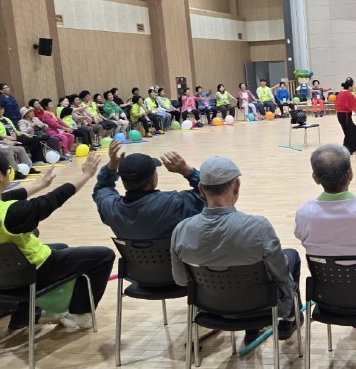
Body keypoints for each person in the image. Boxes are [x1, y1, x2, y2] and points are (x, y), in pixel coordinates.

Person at [171, 156, 302, 344]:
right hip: (261, 306)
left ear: (201, 189)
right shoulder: (258, 227)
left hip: (210, 308)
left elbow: (181, 280)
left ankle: (256, 328)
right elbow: (281, 273)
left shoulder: (181, 231)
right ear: (236, 186)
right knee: (290, 257)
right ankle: (289, 319)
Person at [0, 154, 116, 330]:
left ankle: (23, 314)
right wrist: (86, 175)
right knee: (104, 256)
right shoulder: (12, 213)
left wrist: (41, 184)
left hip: (5, 275)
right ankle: (81, 314)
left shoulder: (10, 209)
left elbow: (9, 196)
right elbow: (52, 200)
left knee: (61, 247)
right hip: (34, 272)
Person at [294, 144, 356, 343]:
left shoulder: (305, 213)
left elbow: (300, 236)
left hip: (328, 296)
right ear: (350, 174)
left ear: (315, 178)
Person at [93, 140, 205, 239]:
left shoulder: (110, 207)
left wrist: (112, 166)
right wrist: (187, 171)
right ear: (153, 179)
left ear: (123, 180)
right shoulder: (175, 203)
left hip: (134, 257)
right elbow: (211, 193)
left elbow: (102, 188)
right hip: (174, 257)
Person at [335, 78, 356, 154]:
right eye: (353, 85)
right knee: (349, 131)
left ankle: (355, 147)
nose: (354, 87)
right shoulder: (347, 94)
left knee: (352, 129)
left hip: (341, 115)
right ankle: (347, 149)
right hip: (345, 115)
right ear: (349, 87)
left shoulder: (341, 92)